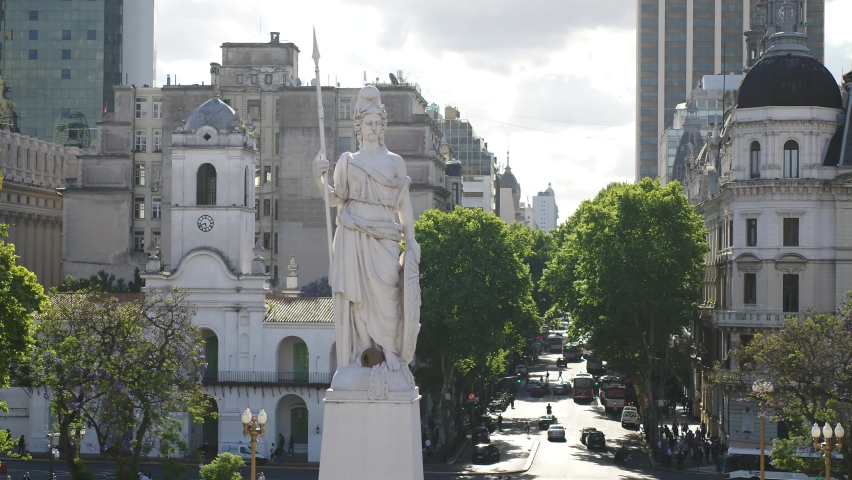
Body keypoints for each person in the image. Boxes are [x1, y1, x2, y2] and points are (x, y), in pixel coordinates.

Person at [312, 85, 420, 374]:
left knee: (388, 294)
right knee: (358, 297)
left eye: (377, 124)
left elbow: (404, 204)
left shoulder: (394, 162)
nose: (372, 129)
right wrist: (318, 178)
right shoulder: (348, 162)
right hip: (353, 233)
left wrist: (411, 240)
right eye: (367, 124)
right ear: (358, 127)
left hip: (385, 234)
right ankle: (363, 350)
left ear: (382, 126)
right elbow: (336, 198)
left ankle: (390, 351)